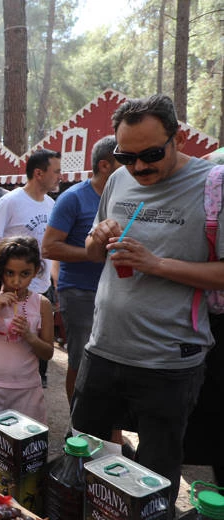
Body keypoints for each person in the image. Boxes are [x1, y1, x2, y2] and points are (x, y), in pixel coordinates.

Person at [74, 94, 224, 505]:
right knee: (84, 460)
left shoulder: (213, 184)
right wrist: (97, 237)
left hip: (168, 359)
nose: (139, 167)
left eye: (151, 154)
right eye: (127, 157)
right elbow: (91, 251)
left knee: (154, 480)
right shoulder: (120, 180)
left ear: (176, 138)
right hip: (102, 348)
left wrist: (155, 263)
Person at [0, 148, 61, 388]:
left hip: (40, 289)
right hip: (7, 290)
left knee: (36, 346)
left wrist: (55, 281)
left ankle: (31, 387)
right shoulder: (10, 201)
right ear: (39, 173)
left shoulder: (52, 205)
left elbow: (52, 249)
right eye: (56, 171)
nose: (60, 177)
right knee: (2, 340)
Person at [42, 136, 118, 403]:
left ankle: (109, 434)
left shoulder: (126, 197)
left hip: (117, 293)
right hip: (79, 293)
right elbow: (49, 247)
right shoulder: (73, 198)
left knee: (112, 366)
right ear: (105, 165)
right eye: (126, 160)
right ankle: (76, 429)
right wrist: (94, 253)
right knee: (80, 362)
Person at [0, 236, 54, 422]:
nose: (16, 281)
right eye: (9, 273)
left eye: (25, 274)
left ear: (36, 271)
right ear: (0, 271)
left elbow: (48, 353)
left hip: (26, 391)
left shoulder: (41, 304)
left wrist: (29, 336)